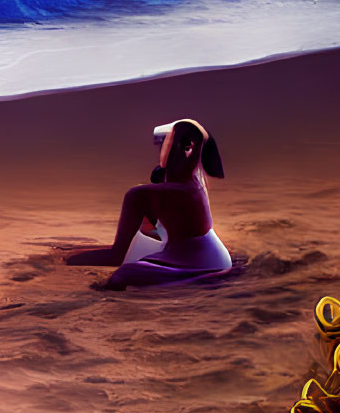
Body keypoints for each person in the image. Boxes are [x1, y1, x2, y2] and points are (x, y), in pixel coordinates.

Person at [66, 118, 231, 289]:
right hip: (215, 255)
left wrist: (69, 260)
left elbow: (116, 255)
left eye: (162, 141)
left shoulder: (143, 194)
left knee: (123, 274)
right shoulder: (196, 183)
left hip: (198, 264)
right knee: (141, 247)